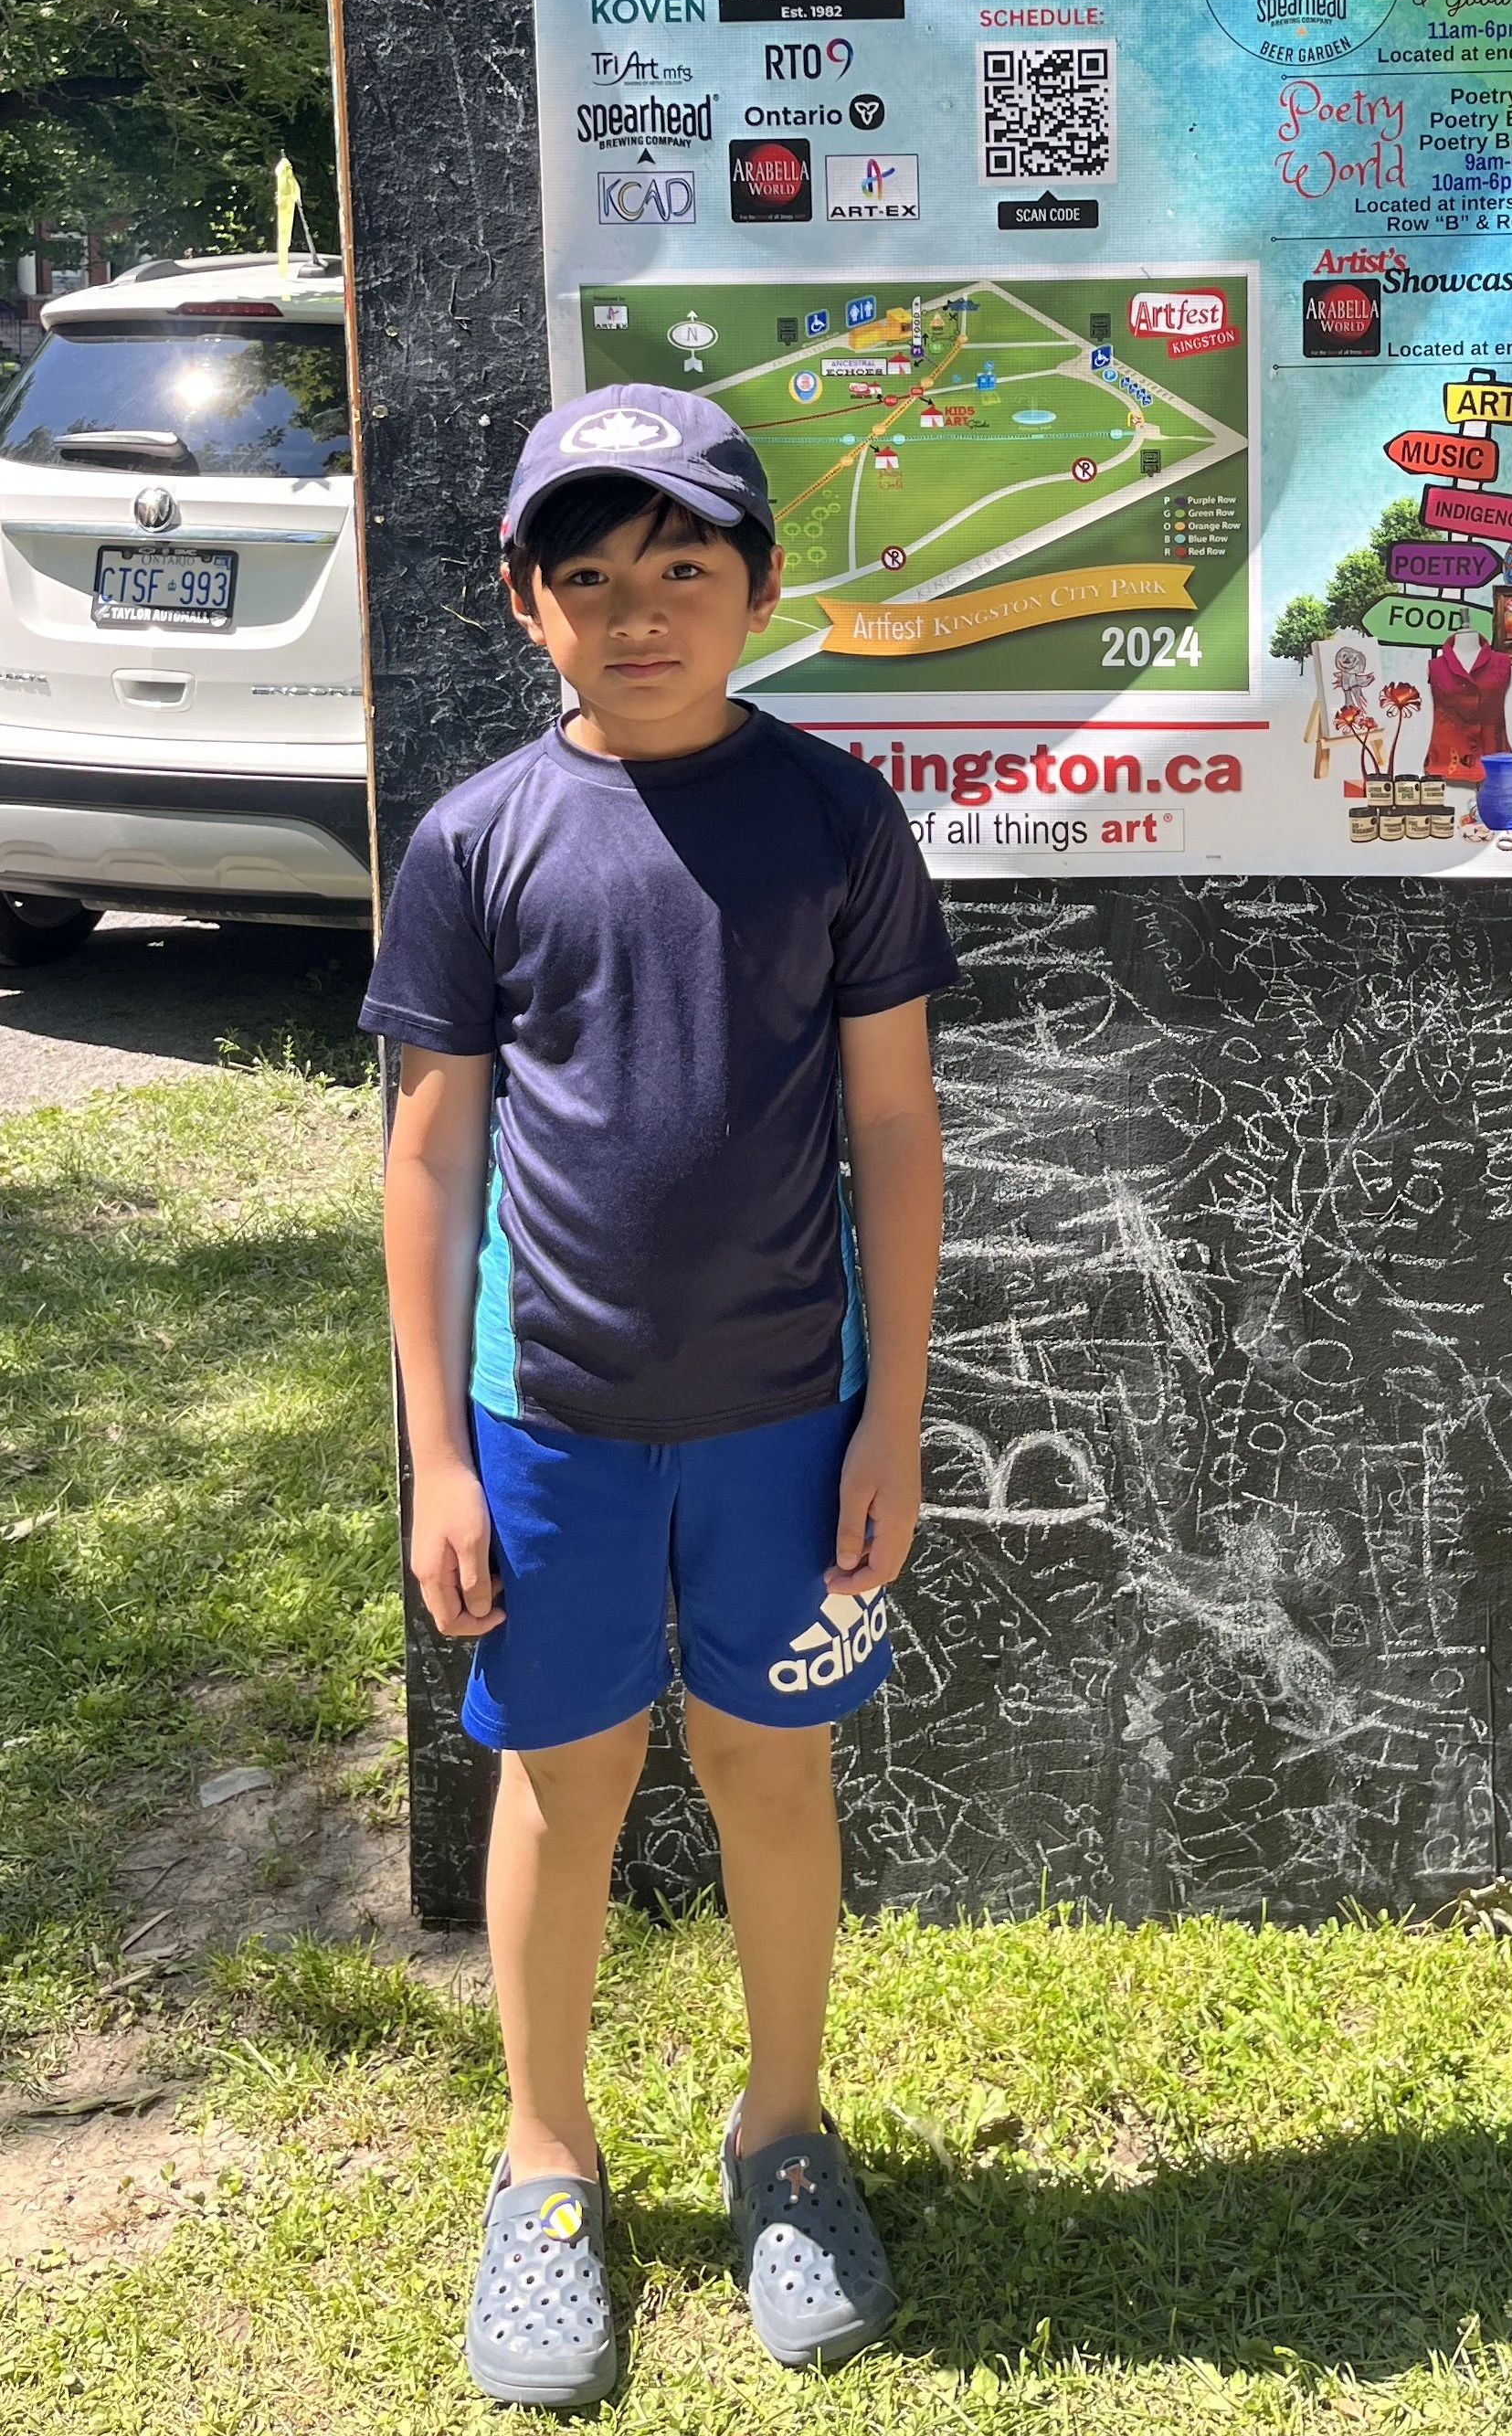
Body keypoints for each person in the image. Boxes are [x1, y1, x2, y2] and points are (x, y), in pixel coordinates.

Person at [363, 387, 957, 2405]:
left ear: (762, 586)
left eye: (681, 568)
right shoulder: (478, 842)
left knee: (772, 1773)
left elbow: (895, 1127)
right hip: (551, 1432)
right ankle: (545, 2167)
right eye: (587, 576)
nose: (638, 611)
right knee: (565, 1784)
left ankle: (784, 2136)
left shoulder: (836, 822)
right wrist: (439, 1450)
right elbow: (432, 1160)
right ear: (526, 605)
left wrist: (892, 1420)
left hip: (797, 1419)